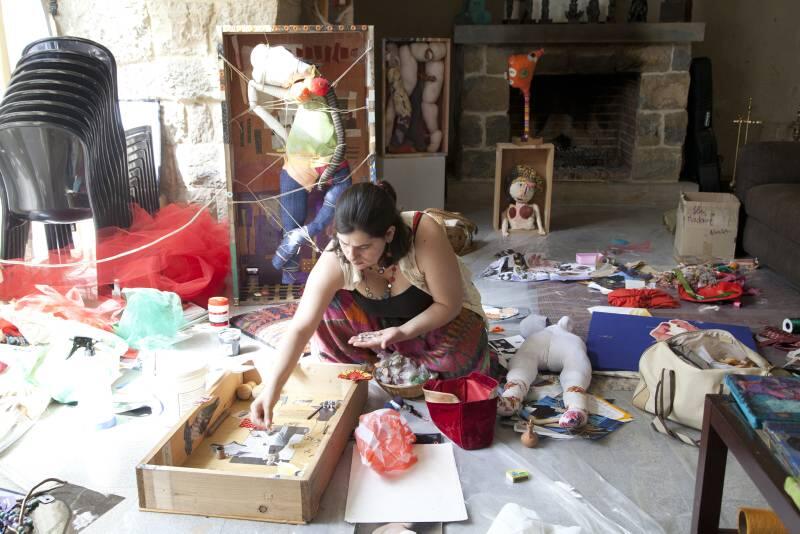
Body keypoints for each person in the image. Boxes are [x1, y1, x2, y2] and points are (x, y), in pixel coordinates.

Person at [250, 181, 497, 428]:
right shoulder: (338, 256)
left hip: (433, 321)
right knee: (328, 308)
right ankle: (384, 364)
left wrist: (402, 332)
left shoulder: (424, 233)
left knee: (463, 359)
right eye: (344, 243)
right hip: (379, 326)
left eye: (364, 247)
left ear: (389, 234)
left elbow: (449, 305)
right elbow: (301, 327)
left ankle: (401, 362)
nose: (352, 256)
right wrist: (272, 389)